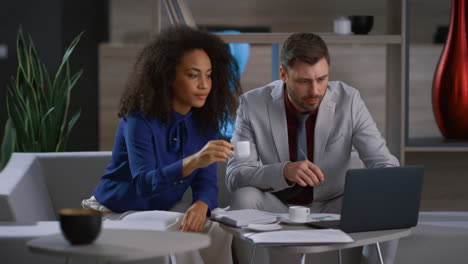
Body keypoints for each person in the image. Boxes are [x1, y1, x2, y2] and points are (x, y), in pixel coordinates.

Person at [226, 32, 400, 264]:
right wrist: (284, 171)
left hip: (335, 204)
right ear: (283, 74)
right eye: (304, 81)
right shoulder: (252, 104)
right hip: (278, 206)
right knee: (244, 196)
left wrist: (387, 180)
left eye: (322, 79)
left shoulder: (349, 100)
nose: (315, 90)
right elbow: (235, 175)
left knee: (387, 189)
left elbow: (382, 160)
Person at [82, 25, 241, 264]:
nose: (204, 85)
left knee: (219, 228)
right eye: (193, 75)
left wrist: (201, 204)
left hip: (162, 210)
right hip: (116, 211)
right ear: (168, 76)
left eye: (208, 75)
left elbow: (206, 182)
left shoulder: (205, 123)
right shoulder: (138, 120)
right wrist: (194, 160)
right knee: (180, 233)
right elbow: (144, 183)